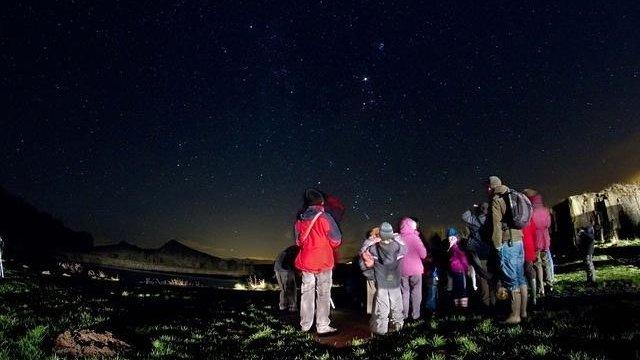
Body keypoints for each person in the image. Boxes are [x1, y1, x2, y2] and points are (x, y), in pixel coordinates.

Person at [294, 189, 342, 334]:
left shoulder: (300, 219)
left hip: (306, 260)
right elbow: (336, 239)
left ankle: (305, 325)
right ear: (321, 202)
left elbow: (298, 242)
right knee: (323, 293)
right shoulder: (325, 217)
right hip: (323, 260)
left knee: (306, 292)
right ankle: (322, 326)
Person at [488, 176, 528, 324]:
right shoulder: (512, 194)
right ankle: (523, 312)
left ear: (490, 187)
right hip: (519, 241)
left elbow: (496, 226)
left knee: (511, 280)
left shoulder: (496, 200)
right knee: (520, 277)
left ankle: (514, 316)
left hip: (507, 243)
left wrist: (497, 245)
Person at [361, 222, 406, 335]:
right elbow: (405, 250)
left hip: (381, 282)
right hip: (394, 280)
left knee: (382, 306)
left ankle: (382, 330)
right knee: (397, 304)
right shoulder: (398, 247)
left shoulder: (373, 248)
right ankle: (398, 326)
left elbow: (365, 256)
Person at [461, 203, 495, 311]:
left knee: (483, 277)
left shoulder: (475, 220)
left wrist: (472, 208)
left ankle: (485, 303)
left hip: (479, 253)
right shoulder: (492, 220)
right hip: (491, 252)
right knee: (492, 277)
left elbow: (464, 216)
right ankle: (494, 302)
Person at [525, 189, 554, 296]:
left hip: (536, 239)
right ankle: (550, 283)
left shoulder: (531, 212)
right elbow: (548, 224)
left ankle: (540, 286)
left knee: (537, 264)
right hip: (545, 238)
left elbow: (530, 226)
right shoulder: (546, 210)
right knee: (546, 262)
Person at [399, 217, 427, 320]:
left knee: (404, 292)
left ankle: (404, 315)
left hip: (402, 270)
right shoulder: (415, 238)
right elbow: (423, 254)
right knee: (416, 292)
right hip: (416, 269)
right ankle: (416, 315)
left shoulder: (398, 238)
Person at [446, 228, 471, 310]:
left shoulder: (450, 247)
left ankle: (456, 306)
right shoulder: (458, 247)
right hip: (460, 270)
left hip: (452, 270)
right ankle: (463, 307)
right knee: (462, 288)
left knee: (456, 288)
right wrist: (467, 267)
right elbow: (463, 258)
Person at [359, 227, 380, 315]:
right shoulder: (377, 243)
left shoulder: (365, 243)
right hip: (377, 271)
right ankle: (378, 311)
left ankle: (371, 311)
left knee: (371, 291)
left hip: (367, 271)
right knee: (379, 291)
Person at [274, 245, 299, 312]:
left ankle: (283, 305)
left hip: (277, 268)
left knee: (283, 289)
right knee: (291, 288)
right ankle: (292, 306)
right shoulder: (296, 250)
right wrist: (297, 271)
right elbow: (291, 262)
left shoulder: (285, 251)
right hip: (286, 269)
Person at [522, 216, 538, 306]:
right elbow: (534, 234)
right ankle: (534, 297)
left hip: (519, 248)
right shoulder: (529, 218)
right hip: (529, 246)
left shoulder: (514, 219)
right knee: (530, 271)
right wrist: (535, 248)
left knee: (521, 274)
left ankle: (526, 297)